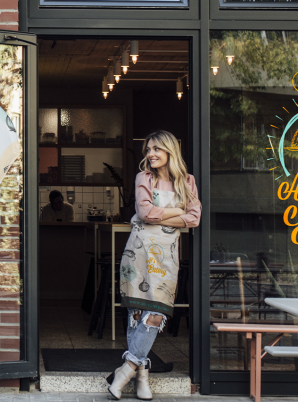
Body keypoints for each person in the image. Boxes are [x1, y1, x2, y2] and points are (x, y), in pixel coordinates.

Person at [106, 130, 201, 400]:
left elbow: (194, 218)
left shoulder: (188, 182)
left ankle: (126, 370)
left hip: (166, 258)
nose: (151, 154)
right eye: (148, 150)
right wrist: (178, 211)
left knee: (156, 314)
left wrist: (159, 216)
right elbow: (145, 212)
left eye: (157, 149)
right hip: (138, 251)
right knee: (137, 313)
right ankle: (141, 376)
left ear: (170, 151)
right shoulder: (144, 178)